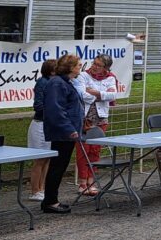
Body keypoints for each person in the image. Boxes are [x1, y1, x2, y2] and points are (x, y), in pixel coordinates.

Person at [41, 54, 84, 214]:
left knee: (60, 166)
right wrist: (69, 129)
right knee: (57, 166)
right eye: (78, 65)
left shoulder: (65, 83)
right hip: (63, 133)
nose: (80, 67)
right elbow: (56, 110)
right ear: (71, 67)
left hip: (67, 132)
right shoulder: (57, 84)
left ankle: (51, 199)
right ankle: (50, 201)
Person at [73, 54, 119, 195]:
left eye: (98, 65)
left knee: (95, 150)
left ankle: (91, 181)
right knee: (83, 150)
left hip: (101, 117)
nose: (94, 66)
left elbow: (112, 95)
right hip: (85, 118)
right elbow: (82, 94)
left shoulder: (110, 77)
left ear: (105, 68)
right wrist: (101, 94)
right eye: (94, 63)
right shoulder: (83, 76)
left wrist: (94, 92)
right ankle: (82, 182)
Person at [27, 59, 56, 202]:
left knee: (47, 159)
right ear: (51, 71)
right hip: (40, 124)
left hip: (49, 124)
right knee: (39, 159)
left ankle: (42, 187)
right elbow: (38, 105)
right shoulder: (42, 83)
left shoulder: (53, 83)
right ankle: (35, 190)